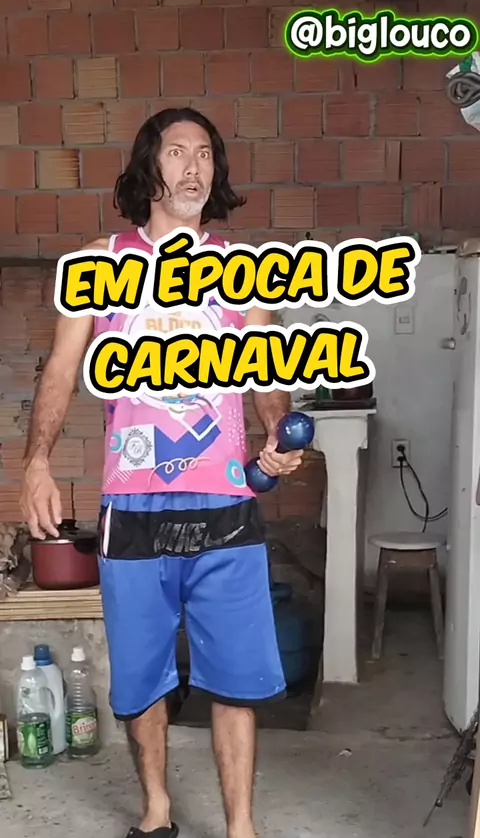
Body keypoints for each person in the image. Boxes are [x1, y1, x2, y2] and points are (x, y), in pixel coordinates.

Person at [20, 107, 304, 838]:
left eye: (204, 153)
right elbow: (61, 372)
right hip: (135, 505)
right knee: (142, 676)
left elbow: (267, 376)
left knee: (234, 677)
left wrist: (277, 429)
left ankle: (241, 827)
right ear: (149, 167)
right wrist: (38, 463)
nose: (192, 166)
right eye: (176, 152)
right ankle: (157, 812)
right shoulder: (100, 266)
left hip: (226, 503)